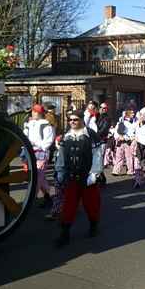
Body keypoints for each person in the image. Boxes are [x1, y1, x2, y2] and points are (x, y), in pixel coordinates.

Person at [54, 111, 103, 247]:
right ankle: (65, 233)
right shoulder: (66, 136)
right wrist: (60, 172)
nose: (72, 122)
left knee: (91, 204)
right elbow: (61, 155)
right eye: (70, 120)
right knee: (69, 205)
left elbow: (97, 155)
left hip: (87, 177)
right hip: (71, 177)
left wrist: (94, 174)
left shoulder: (91, 135)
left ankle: (94, 225)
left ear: (82, 119)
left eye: (75, 119)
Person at [23, 104, 55, 207]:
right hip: (31, 152)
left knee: (37, 176)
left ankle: (31, 199)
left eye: (34, 111)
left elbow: (48, 141)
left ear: (38, 113)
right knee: (38, 176)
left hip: (41, 152)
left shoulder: (46, 125)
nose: (32, 113)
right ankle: (47, 197)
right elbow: (25, 136)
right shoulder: (29, 124)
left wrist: (37, 144)